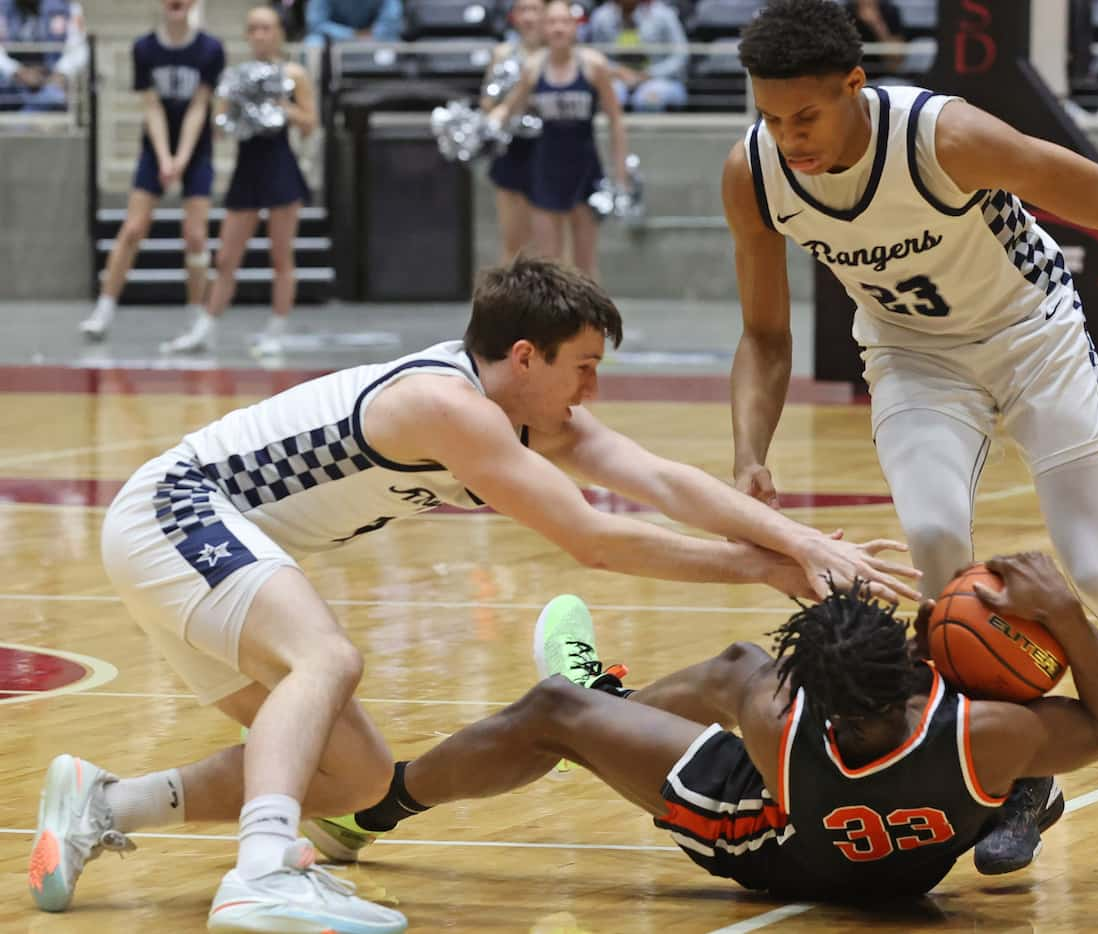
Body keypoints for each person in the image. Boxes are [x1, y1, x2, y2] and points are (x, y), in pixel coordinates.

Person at [26, 257, 921, 931]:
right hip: (178, 511)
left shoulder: (523, 405)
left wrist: (798, 539)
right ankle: (261, 871)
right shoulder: (448, 405)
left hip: (185, 537)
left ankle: (105, 805)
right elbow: (593, 539)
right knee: (327, 658)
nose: (591, 389)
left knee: (357, 777)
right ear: (523, 356)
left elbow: (658, 477)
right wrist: (765, 567)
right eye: (583, 366)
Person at [722, 0, 1098, 884]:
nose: (789, 137)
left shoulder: (946, 138)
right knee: (936, 548)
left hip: (1032, 337)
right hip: (912, 356)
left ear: (855, 87)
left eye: (806, 116)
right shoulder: (755, 173)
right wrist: (750, 450)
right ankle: (1018, 774)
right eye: (771, 116)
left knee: (1097, 572)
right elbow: (765, 336)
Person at [305, 553, 1098, 899]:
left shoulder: (771, 713)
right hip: (905, 880)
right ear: (909, 663)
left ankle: (373, 810)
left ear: (804, 684)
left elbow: (747, 674)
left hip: (772, 848)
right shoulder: (993, 733)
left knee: (553, 711)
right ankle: (1014, 803)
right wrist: (1068, 617)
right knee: (1012, 765)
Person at [162, 6, 317, 357]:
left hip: (280, 168)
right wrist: (232, 108)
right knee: (226, 257)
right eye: (253, 29)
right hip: (246, 169)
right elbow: (219, 125)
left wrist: (281, 106)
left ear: (278, 32)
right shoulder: (235, 75)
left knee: (281, 256)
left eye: (266, 28)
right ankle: (205, 329)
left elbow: (310, 123)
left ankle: (276, 331)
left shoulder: (294, 74)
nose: (259, 35)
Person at [77, 0, 224, 343]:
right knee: (133, 228)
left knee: (196, 236)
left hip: (196, 149)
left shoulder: (210, 48)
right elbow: (152, 106)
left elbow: (199, 107)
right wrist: (163, 157)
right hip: (154, 147)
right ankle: (104, 308)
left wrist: (181, 159)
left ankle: (195, 317)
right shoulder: (144, 47)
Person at [490, 0, 627, 279]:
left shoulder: (593, 65)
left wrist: (620, 174)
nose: (558, 28)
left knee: (585, 266)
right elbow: (510, 106)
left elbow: (616, 120)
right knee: (549, 267)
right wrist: (491, 121)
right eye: (552, 22)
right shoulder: (533, 68)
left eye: (564, 21)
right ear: (544, 28)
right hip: (546, 169)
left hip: (584, 166)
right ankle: (553, 323)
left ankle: (590, 321)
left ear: (575, 26)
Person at [481, 0, 545, 264]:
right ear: (514, 16)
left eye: (535, 9)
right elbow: (486, 102)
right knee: (512, 241)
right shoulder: (503, 53)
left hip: (549, 148)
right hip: (512, 149)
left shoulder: (557, 53)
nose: (529, 17)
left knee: (546, 244)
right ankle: (509, 303)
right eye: (523, 10)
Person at [584, 0, 688, 112]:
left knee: (648, 99)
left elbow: (681, 56)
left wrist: (651, 73)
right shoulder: (602, 16)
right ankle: (616, 129)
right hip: (617, 78)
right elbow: (595, 56)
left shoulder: (663, 14)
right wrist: (616, 71)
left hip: (660, 80)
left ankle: (648, 129)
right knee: (611, 94)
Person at [0, 0, 87, 112]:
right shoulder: (3, 7)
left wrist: (61, 73)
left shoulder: (67, 8)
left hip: (51, 82)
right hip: (10, 85)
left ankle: (21, 125)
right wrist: (16, 71)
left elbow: (79, 49)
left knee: (55, 97)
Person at [302, 0, 401, 46]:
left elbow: (391, 19)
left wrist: (374, 34)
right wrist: (352, 35)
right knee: (313, 43)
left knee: (395, 44)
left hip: (375, 39)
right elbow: (316, 24)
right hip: (336, 41)